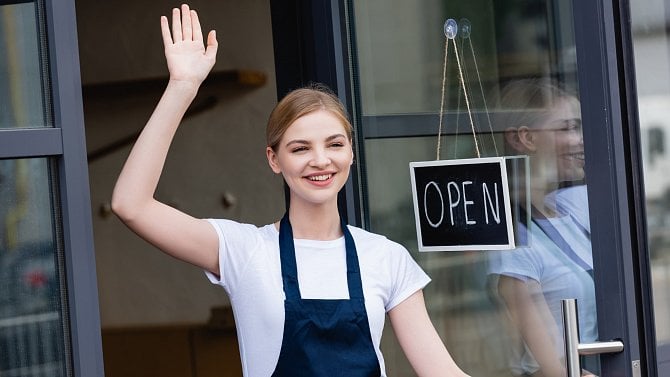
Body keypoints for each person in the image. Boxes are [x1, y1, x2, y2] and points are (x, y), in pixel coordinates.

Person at [111, 5, 469, 377]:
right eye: (300, 148)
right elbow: (130, 205)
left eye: (334, 144)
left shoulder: (386, 258)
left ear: (351, 153)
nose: (320, 160)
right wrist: (182, 88)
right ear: (274, 159)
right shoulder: (244, 252)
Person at [487, 79, 597, 377]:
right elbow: (551, 369)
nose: (580, 139)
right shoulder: (514, 241)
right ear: (526, 138)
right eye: (567, 128)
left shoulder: (567, 208)